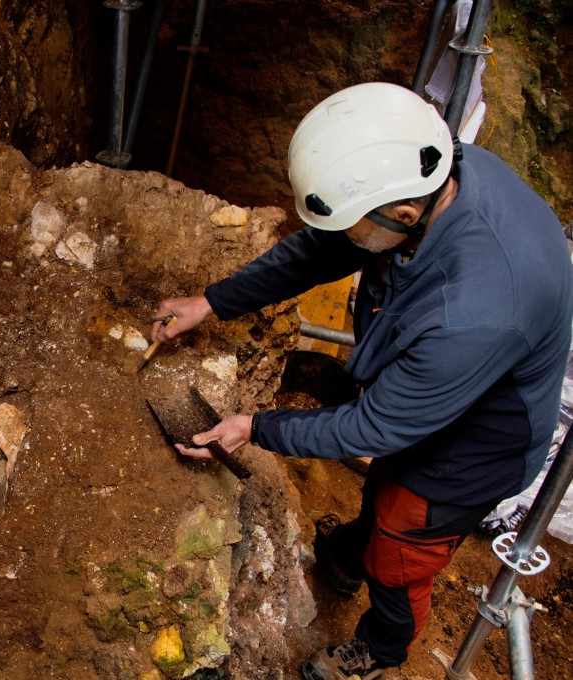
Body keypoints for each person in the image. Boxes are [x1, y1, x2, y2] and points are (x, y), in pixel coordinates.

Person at [150, 82, 573, 680]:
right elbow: (318, 253)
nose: (345, 238)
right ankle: (352, 556)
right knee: (384, 492)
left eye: (353, 225)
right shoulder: (438, 174)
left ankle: (382, 647)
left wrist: (257, 427)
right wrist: (212, 302)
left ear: (403, 216)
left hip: (476, 449)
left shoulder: (474, 310)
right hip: (439, 387)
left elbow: (374, 426)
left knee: (403, 541)